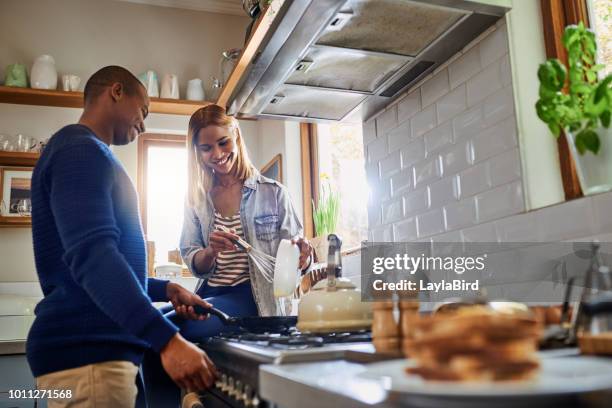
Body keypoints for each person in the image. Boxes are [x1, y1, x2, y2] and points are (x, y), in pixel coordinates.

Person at [27, 65, 217, 408]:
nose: (144, 125)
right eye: (143, 111)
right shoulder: (79, 151)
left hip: (96, 353)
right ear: (116, 91)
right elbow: (94, 258)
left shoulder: (83, 151)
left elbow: (86, 268)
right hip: (89, 356)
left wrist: (164, 288)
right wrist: (168, 342)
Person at [175, 104, 313, 340]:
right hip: (210, 293)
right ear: (196, 151)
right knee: (150, 327)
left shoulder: (274, 193)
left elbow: (297, 262)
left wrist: (304, 255)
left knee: (173, 333)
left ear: (236, 135)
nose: (217, 154)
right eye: (206, 148)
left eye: (223, 143)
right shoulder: (196, 199)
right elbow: (193, 259)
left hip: (252, 299)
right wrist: (210, 251)